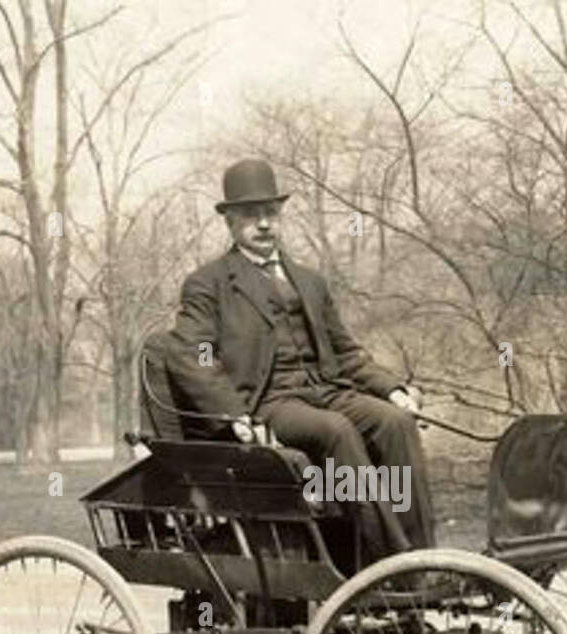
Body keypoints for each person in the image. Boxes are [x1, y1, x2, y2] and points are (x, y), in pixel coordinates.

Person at [167, 158, 434, 560]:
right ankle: (387, 564)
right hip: (270, 403)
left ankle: (424, 558)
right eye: (251, 215)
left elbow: (345, 352)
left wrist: (393, 390)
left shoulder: (309, 281)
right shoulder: (210, 284)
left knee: (394, 423)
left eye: (271, 214)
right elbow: (194, 354)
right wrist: (233, 415)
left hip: (326, 389)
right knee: (336, 431)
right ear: (230, 222)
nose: (263, 224)